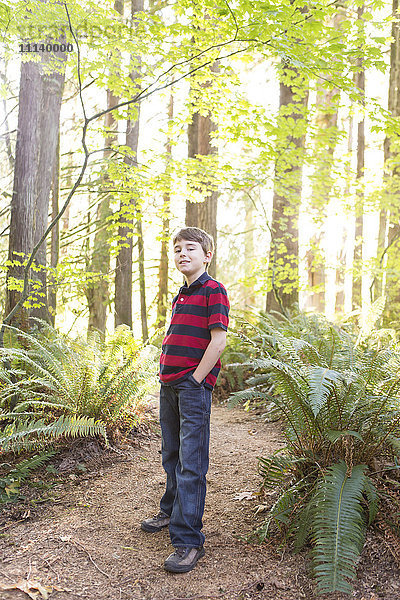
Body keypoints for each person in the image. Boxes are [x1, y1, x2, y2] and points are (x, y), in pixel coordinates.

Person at [141, 226, 230, 573]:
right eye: (177, 249)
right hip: (169, 386)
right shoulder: (180, 295)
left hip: (191, 388)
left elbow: (217, 341)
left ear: (206, 255)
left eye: (190, 248)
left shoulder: (214, 290)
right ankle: (170, 510)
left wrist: (195, 379)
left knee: (191, 462)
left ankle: (188, 540)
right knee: (171, 453)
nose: (182, 254)